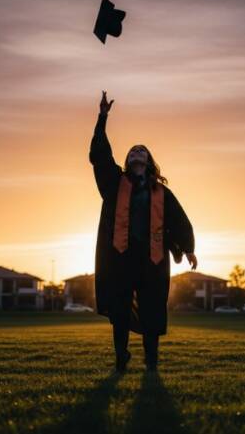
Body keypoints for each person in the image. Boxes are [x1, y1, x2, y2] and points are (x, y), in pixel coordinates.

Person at [89, 90, 197, 372]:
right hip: (121, 258)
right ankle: (121, 356)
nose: (136, 152)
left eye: (142, 150)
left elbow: (179, 219)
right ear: (127, 160)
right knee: (120, 310)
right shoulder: (115, 183)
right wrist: (102, 117)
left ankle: (151, 360)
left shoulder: (161, 192)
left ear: (149, 161)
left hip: (153, 259)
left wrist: (188, 248)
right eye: (132, 150)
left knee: (152, 309)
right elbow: (100, 156)